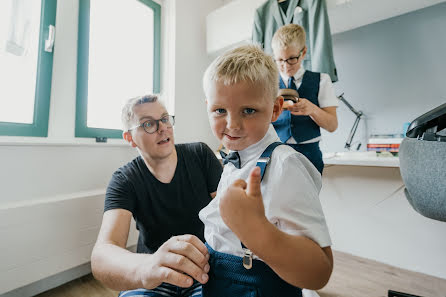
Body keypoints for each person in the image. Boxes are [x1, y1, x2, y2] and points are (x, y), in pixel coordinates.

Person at [199, 44, 333, 297]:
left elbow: (320, 271)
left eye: (248, 110)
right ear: (208, 106)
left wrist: (255, 229)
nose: (232, 124)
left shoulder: (285, 165)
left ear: (275, 109)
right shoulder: (234, 157)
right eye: (219, 111)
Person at [91, 95, 223, 297]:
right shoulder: (124, 179)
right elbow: (102, 256)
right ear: (130, 138)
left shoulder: (200, 154)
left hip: (205, 268)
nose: (163, 128)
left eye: (164, 119)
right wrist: (147, 267)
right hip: (153, 273)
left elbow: (228, 216)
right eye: (148, 124)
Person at [271, 24, 338, 174]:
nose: (286, 66)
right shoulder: (268, 83)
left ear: (303, 52)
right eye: (280, 60)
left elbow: (332, 125)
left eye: (291, 59)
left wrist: (312, 109)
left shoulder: (322, 80)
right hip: (275, 153)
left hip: (309, 155)